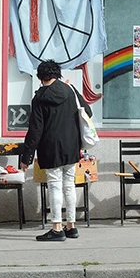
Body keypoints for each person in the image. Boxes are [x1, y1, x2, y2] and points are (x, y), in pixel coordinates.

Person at [19, 60, 92, 241]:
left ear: (40, 77)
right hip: (71, 147)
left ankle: (57, 228)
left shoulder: (39, 98)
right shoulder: (70, 90)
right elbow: (88, 112)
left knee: (54, 186)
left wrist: (26, 158)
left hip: (51, 148)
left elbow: (35, 131)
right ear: (57, 74)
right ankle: (71, 226)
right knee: (69, 185)